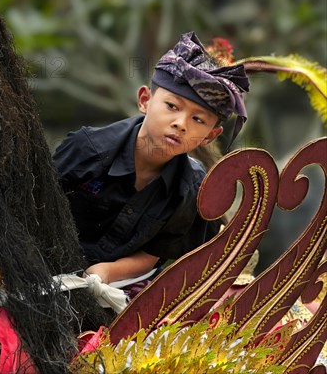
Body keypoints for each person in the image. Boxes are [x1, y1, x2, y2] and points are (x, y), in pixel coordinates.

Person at [54, 32, 250, 292]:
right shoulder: (87, 148)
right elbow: (36, 203)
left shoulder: (193, 190)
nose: (181, 124)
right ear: (145, 100)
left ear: (210, 136)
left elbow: (154, 254)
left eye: (198, 120)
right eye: (172, 106)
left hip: (117, 286)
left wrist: (106, 272)